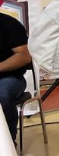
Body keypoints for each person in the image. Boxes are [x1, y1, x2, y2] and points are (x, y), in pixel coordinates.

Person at [0, 13, 31, 143]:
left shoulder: (9, 23)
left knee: (1, 94)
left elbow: (25, 55)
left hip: (10, 77)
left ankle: (8, 143)